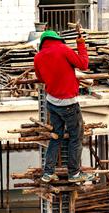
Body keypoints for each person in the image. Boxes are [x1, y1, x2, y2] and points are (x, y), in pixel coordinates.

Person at [34, 28, 92, 183]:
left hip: (52, 102)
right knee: (76, 137)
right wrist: (81, 44)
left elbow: (40, 77)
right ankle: (74, 174)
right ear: (57, 39)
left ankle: (48, 173)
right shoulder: (63, 49)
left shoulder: (38, 57)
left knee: (56, 137)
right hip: (68, 104)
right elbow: (84, 64)